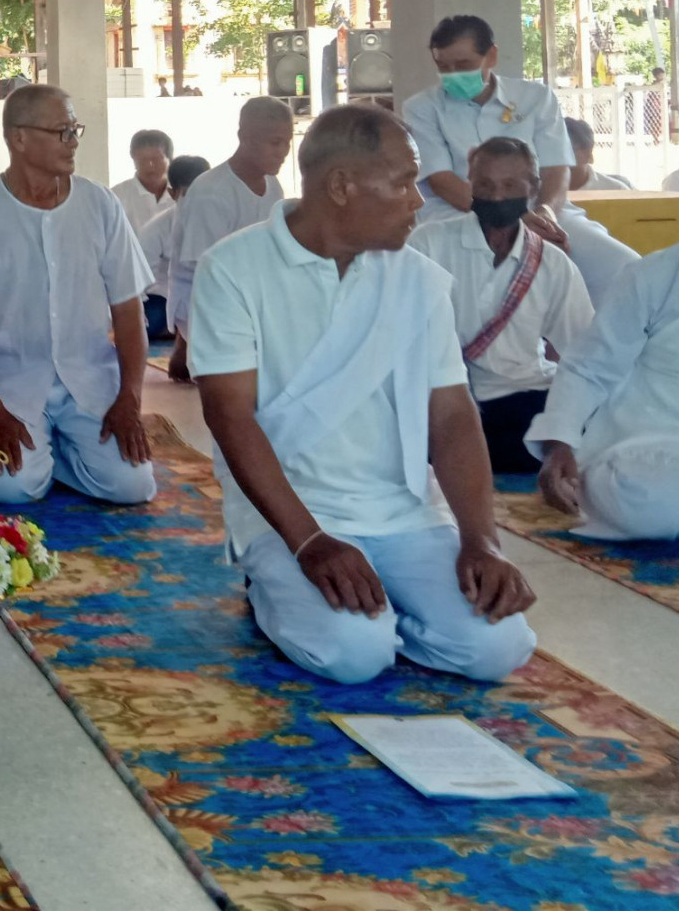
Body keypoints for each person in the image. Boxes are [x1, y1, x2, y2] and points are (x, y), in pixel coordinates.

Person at [190, 104, 537, 685]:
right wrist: (310, 544)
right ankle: (277, 588)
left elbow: (451, 415)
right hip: (289, 517)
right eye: (403, 182)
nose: (418, 200)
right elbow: (230, 419)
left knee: (499, 647)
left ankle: (387, 617)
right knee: (354, 655)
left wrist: (481, 540)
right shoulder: (233, 269)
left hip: (399, 511)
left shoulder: (416, 278)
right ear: (341, 186)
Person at [0, 85, 155, 504]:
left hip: (89, 376)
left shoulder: (101, 205)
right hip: (8, 382)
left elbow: (129, 311)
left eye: (75, 130)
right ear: (19, 138)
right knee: (13, 487)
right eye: (62, 131)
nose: (73, 142)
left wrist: (130, 398)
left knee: (132, 485)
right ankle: (49, 459)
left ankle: (62, 459)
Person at [531, 135, 679, 543]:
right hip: (669, 447)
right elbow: (589, 366)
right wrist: (560, 443)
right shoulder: (653, 277)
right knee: (649, 499)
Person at [408, 139, 594, 473]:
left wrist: (562, 433)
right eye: (484, 185)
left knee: (584, 435)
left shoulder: (552, 263)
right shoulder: (427, 243)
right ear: (470, 183)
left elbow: (584, 354)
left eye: (509, 185)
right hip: (445, 399)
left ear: (533, 188)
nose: (495, 196)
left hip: (524, 395)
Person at [400, 15, 572, 222]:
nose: (453, 74)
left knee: (609, 253)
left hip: (540, 210)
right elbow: (442, 181)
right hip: (461, 212)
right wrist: (512, 220)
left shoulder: (536, 97)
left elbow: (556, 167)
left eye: (464, 64)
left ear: (491, 56)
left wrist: (546, 212)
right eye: (443, 66)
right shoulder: (421, 108)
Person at [167, 98, 294, 375]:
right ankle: (187, 347)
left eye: (287, 142)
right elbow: (207, 267)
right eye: (275, 143)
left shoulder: (273, 185)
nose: (283, 152)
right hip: (203, 297)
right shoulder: (212, 191)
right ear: (245, 138)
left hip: (250, 292)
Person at [138, 155, 210, 344]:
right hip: (165, 298)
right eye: (189, 193)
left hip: (211, 297)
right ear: (173, 193)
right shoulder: (156, 229)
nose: (198, 201)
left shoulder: (219, 220)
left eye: (203, 193)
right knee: (149, 320)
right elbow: (139, 281)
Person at [112, 130, 175, 238]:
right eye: (143, 160)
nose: (150, 165)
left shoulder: (183, 194)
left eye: (156, 159)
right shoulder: (117, 196)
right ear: (133, 158)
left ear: (170, 159)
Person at [563, 118, 630, 191]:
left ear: (587, 154)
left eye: (566, 151)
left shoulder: (615, 191)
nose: (557, 159)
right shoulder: (549, 192)